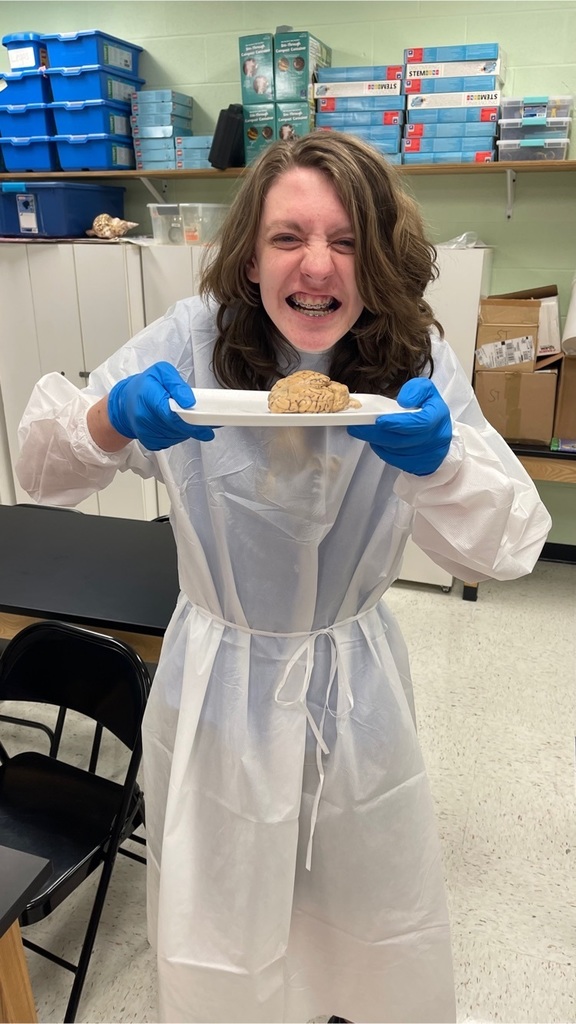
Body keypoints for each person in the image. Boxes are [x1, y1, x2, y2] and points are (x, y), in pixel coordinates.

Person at [16, 131, 551, 1024]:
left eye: (345, 241)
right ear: (251, 255)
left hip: (357, 688)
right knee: (220, 931)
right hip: (217, 684)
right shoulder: (193, 340)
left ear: (376, 256)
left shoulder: (411, 358)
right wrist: (112, 416)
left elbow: (505, 548)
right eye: (288, 237)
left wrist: (443, 463)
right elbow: (42, 467)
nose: (317, 265)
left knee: (369, 918)